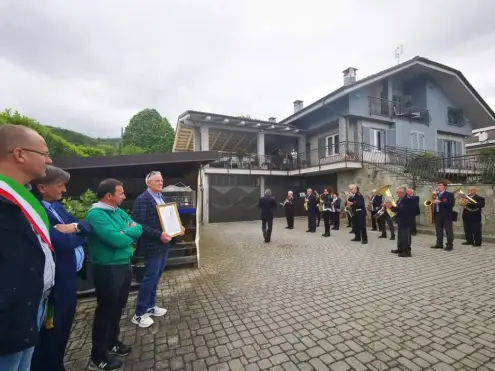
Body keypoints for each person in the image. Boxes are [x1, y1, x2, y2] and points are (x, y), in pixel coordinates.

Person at [0, 125, 54, 371]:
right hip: (7, 321)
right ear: (20, 154)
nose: (49, 159)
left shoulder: (24, 199)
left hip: (29, 309)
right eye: (43, 153)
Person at [30, 166, 93, 371]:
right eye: (60, 185)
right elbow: (61, 242)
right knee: (50, 334)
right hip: (55, 285)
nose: (64, 190)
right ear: (42, 187)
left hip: (69, 279)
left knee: (64, 330)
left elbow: (87, 227)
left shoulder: (56, 207)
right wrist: (77, 231)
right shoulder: (36, 210)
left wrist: (73, 229)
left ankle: (57, 364)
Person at [86, 179, 143, 371]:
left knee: (118, 307)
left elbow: (138, 228)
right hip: (107, 268)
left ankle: (112, 342)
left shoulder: (116, 211)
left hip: (123, 265)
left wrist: (124, 232)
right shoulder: (95, 214)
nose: (124, 196)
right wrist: (126, 234)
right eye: (121, 193)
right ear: (109, 196)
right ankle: (98, 354)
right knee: (106, 310)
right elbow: (116, 240)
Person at [131, 171, 184, 328]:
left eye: (161, 180)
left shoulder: (161, 197)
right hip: (152, 245)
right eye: (157, 181)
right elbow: (140, 225)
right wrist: (159, 234)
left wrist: (178, 226)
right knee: (149, 278)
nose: (161, 183)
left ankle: (151, 306)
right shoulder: (142, 199)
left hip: (164, 244)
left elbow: (169, 218)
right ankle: (139, 313)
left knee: (156, 276)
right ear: (148, 183)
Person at [385, 187, 416, 257]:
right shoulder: (401, 198)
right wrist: (390, 205)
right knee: (400, 236)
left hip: (406, 220)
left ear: (403, 193)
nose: (397, 194)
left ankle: (407, 252)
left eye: (398, 192)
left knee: (406, 236)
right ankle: (400, 249)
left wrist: (391, 207)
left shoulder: (409, 199)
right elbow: (398, 206)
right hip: (401, 220)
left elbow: (402, 209)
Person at [430, 181, 455, 251]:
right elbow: (433, 203)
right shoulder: (436, 194)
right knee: (438, 230)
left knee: (448, 230)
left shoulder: (449, 194)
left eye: (440, 185)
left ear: (445, 187)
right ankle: (439, 244)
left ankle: (449, 245)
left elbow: (451, 204)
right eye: (438, 185)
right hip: (438, 214)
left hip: (446, 215)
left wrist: (440, 201)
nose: (438, 187)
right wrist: (433, 203)